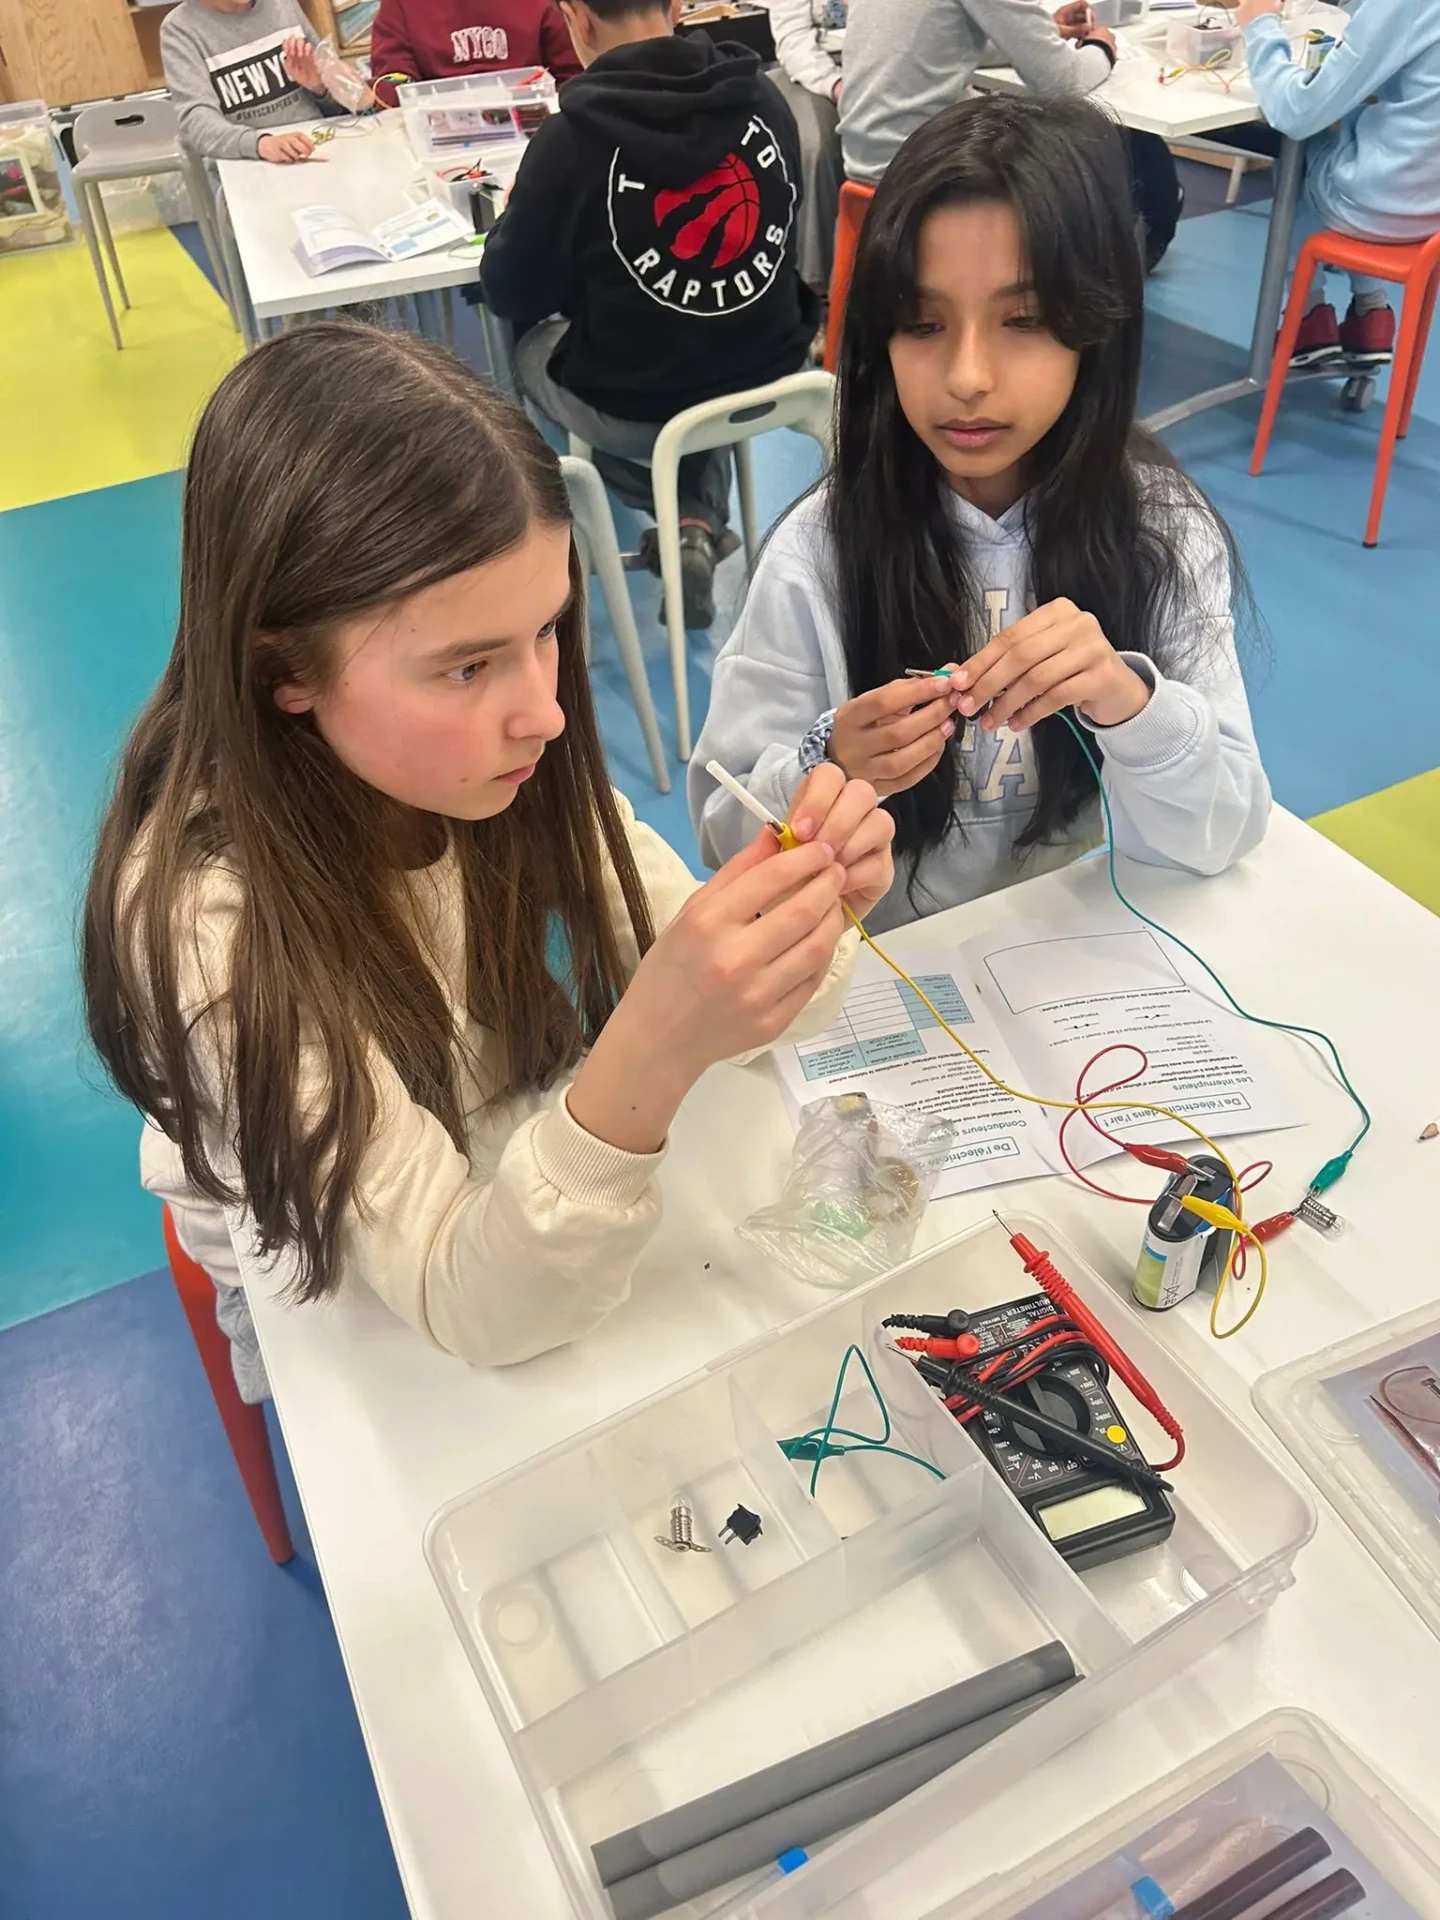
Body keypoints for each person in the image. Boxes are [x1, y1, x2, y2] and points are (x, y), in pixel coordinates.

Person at [83, 325, 891, 1397]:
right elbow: (468, 1303)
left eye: (547, 630)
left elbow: (761, 1017)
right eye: (467, 668)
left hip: (484, 1164)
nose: (544, 713)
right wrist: (651, 1050)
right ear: (283, 672)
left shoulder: (491, 768)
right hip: (311, 1262)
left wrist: (803, 913)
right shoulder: (206, 923)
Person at [690, 96, 1270, 935]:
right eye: (923, 324)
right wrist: (832, 765)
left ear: (1095, 329)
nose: (967, 376)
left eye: (1024, 320)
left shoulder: (1162, 530)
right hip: (893, 973)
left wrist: (1130, 704)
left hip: (1085, 960)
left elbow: (1222, 834)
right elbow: (723, 829)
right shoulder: (817, 555)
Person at [479, 0, 817, 628]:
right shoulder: (764, 99)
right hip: (770, 370)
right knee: (695, 344)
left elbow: (511, 289)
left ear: (577, 18)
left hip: (642, 401)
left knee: (525, 343)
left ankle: (643, 513)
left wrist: (519, 214)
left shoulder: (570, 141)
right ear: (678, 6)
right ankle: (695, 519)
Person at [838, 0, 1182, 272]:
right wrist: (1102, 46)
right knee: (1133, 146)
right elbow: (1065, 81)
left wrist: (1041, 33)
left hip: (868, 165)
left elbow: (951, 38)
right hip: (923, 176)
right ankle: (1093, 290)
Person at [1236, 0, 1440, 369]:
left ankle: (1307, 315)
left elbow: (1296, 113)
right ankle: (1372, 312)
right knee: (1348, 131)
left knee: (1303, 146)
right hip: (1432, 216)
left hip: (1380, 206)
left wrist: (1259, 25)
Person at [162, 0, 362, 162]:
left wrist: (320, 88)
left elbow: (342, 108)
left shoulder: (283, 5)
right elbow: (196, 124)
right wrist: (261, 144)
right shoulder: (179, 29)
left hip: (320, 151)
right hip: (249, 168)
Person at [763, 0, 847, 292]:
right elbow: (793, 39)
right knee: (816, 148)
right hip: (812, 74)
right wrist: (835, 85)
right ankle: (817, 282)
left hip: (881, 69)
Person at [368, 0, 581, 105]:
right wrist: (367, 97)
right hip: (436, 136)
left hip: (533, 130)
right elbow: (393, 82)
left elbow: (574, 77)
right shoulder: (401, 5)